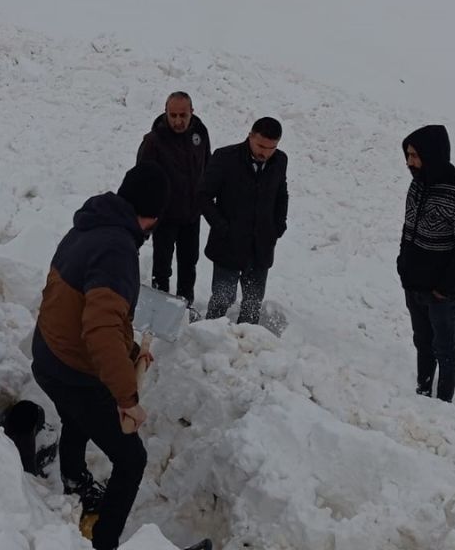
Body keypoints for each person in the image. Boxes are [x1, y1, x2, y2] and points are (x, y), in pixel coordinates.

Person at [31, 162, 168, 550]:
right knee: (132, 459)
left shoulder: (90, 223)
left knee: (78, 415)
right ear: (154, 217)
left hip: (49, 351)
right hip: (70, 368)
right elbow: (100, 330)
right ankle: (105, 541)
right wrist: (128, 399)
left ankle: (74, 479)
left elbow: (92, 312)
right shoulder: (118, 250)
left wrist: (129, 351)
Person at [396, 125, 455, 403]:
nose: (410, 163)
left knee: (444, 350)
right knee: (422, 344)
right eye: (408, 156)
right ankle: (422, 394)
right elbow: (408, 229)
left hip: (441, 294)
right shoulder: (417, 184)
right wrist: (403, 265)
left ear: (433, 155)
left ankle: (443, 404)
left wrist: (445, 288)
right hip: (414, 284)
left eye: (416, 156)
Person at [198, 117, 288, 325]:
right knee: (221, 301)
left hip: (261, 245)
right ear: (250, 136)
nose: (264, 152)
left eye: (271, 148)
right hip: (228, 244)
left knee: (252, 304)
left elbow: (281, 193)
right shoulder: (225, 157)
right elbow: (202, 196)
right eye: (260, 145)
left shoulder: (280, 161)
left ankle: (246, 347)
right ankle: (210, 343)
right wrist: (221, 227)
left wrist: (278, 225)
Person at [136, 92, 211, 306]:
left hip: (191, 216)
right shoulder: (153, 141)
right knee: (162, 266)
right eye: (173, 115)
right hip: (165, 217)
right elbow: (141, 180)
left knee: (189, 265)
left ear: (192, 112)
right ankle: (159, 310)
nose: (178, 121)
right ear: (165, 112)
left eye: (183, 115)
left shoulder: (200, 132)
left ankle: (185, 307)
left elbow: (208, 165)